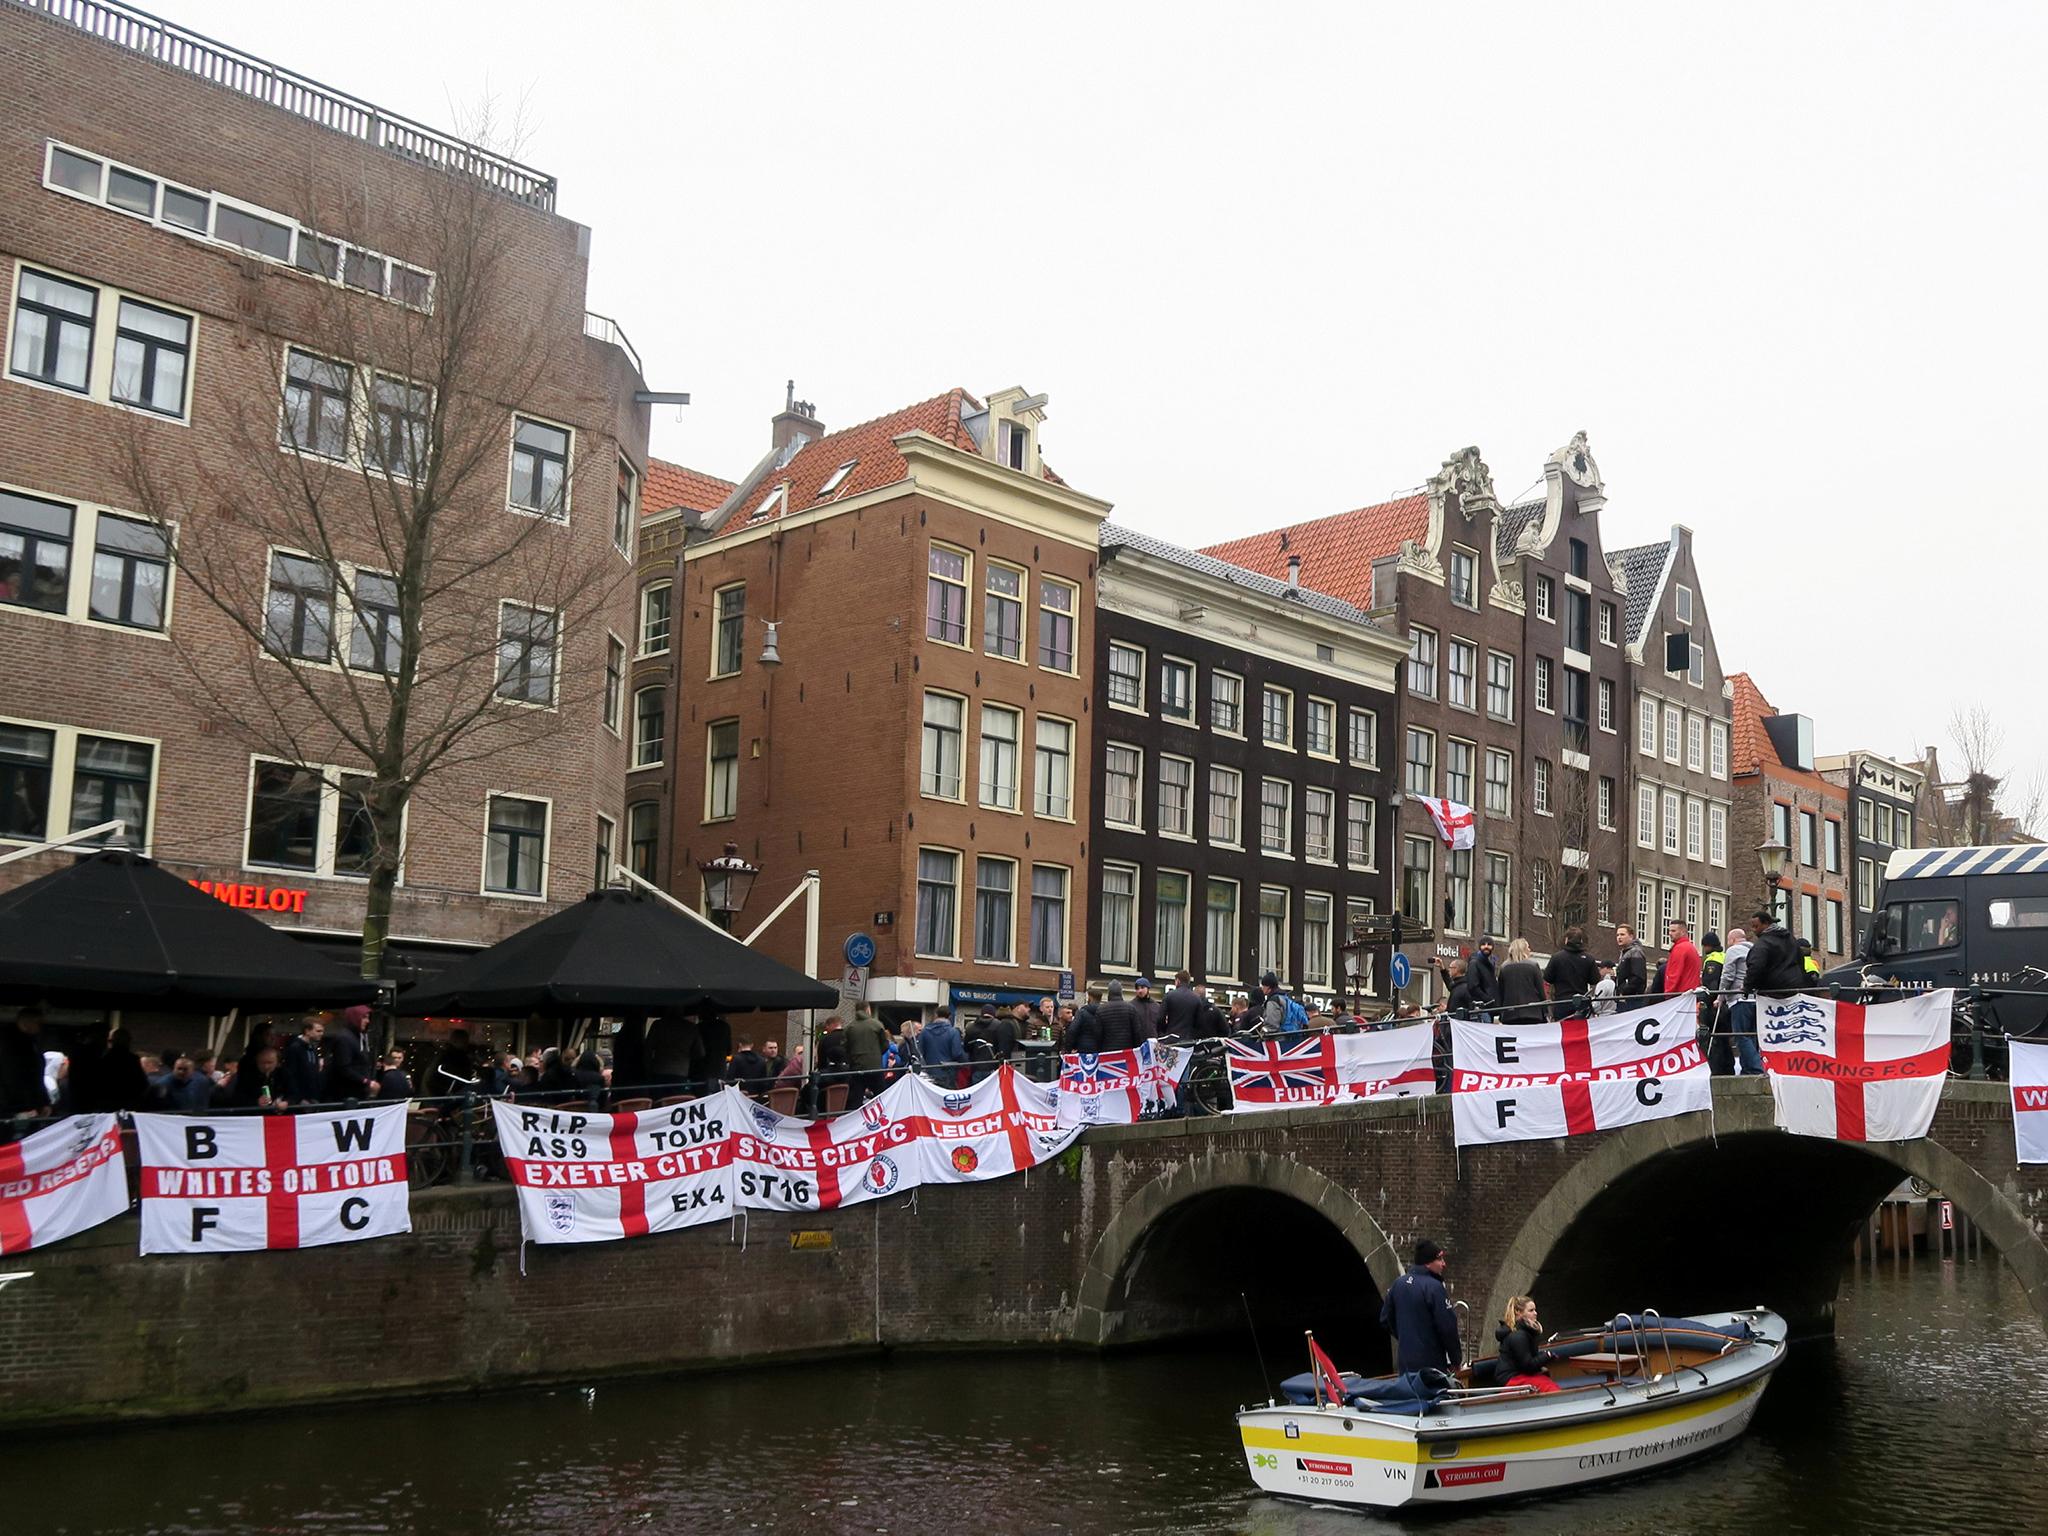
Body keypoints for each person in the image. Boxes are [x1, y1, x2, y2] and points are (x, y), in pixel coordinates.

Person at [1379, 1238, 1462, 1374]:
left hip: (1405, 1364)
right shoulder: (1434, 1288)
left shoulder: (1398, 1284)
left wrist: (1406, 1336)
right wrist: (1455, 1360)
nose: (1444, 1264)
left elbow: (1385, 1318)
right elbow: (1448, 1327)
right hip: (1431, 1365)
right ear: (1428, 1263)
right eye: (1440, 1259)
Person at [1720, 926, 1764, 1074]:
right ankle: (1747, 1069)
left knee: (1741, 1035)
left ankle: (1756, 1068)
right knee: (1752, 1035)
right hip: (1756, 998)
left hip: (1739, 999)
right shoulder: (1756, 950)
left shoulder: (1733, 951)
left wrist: (1720, 997)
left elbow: (1728, 976)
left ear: (1732, 940)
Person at [1496, 1296, 1561, 1394]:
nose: (1535, 1313)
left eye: (1535, 1310)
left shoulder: (1524, 1333)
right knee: (1552, 1390)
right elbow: (1528, 1366)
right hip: (1512, 1379)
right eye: (1531, 1310)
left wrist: (1545, 1356)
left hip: (1519, 1375)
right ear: (1518, 1312)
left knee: (1548, 1383)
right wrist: (1546, 1356)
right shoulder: (1518, 1336)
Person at [0, 1007, 52, 1127]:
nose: (40, 1027)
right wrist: (22, 1106)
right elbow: (11, 1075)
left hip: (29, 1104)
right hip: (12, 1105)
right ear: (27, 1022)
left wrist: (43, 1102)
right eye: (38, 1023)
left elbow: (37, 1076)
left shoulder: (32, 1043)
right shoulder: (7, 1043)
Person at [1746, 906, 1806, 997]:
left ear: (1766, 923)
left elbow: (1756, 965)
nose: (1754, 930)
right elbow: (1800, 959)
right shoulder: (1790, 938)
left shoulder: (1763, 943)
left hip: (1772, 989)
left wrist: (1747, 986)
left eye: (1756, 926)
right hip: (1794, 986)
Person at [1543, 927, 1600, 1019]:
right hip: (1581, 1001)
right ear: (1581, 941)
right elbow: (1595, 980)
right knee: (1581, 1031)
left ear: (1566, 940)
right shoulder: (1589, 959)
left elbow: (1547, 977)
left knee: (1563, 1029)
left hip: (1562, 1002)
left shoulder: (1557, 958)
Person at [324, 1006, 374, 1102]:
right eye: (364, 1017)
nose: (367, 1021)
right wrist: (365, 1081)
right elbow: (343, 1067)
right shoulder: (344, 1038)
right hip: (346, 1094)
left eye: (368, 1017)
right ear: (355, 1018)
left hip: (356, 1092)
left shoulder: (359, 1038)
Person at [845, 1005, 891, 1104]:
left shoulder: (850, 1027)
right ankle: (881, 1117)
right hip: (874, 1066)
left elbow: (845, 1047)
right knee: (881, 1098)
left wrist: (852, 1058)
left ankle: (857, 1118)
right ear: (868, 1010)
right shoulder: (876, 1024)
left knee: (856, 1099)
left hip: (857, 1067)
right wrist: (877, 1054)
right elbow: (885, 1044)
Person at [1497, 938, 1548, 1024]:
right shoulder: (1533, 966)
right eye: (1528, 947)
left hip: (1510, 1014)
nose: (1529, 950)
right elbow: (1541, 992)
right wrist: (1545, 1012)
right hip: (1533, 1013)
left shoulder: (1504, 968)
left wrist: (1501, 1012)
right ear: (1523, 949)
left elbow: (1501, 993)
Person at [221, 1045, 288, 1110]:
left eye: (270, 1063)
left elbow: (293, 1093)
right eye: (262, 1063)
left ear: (277, 1062)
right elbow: (236, 1098)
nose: (266, 1066)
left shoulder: (283, 1074)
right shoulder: (245, 1077)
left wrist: (286, 1102)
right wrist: (256, 1102)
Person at [150, 1054, 217, 1112]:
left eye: (185, 1069)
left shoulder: (202, 1082)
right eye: (179, 1069)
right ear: (174, 1069)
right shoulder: (162, 1084)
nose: (181, 1072)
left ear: (192, 1071)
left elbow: (203, 1104)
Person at [283, 1016, 326, 1104]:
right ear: (307, 1031)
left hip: (313, 1097)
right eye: (318, 1031)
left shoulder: (313, 1048)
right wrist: (299, 1099)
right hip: (300, 1100)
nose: (321, 1034)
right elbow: (291, 1076)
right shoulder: (295, 1048)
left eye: (322, 1031)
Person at [920, 1012, 967, 1086]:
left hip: (929, 1071)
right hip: (948, 1072)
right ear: (950, 1017)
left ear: (936, 1015)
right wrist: (966, 1061)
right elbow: (957, 1053)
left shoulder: (925, 1031)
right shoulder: (953, 1032)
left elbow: (920, 1051)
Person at [1095, 981, 1141, 1052]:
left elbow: (1098, 1034)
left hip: (1108, 1051)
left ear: (1109, 992)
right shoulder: (1131, 1008)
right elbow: (1137, 1032)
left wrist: (1099, 1049)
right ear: (1121, 992)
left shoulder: (1101, 1010)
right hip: (1127, 1050)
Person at [1665, 919, 1703, 999]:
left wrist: (1668, 994)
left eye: (1673, 931)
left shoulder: (1680, 949)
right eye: (1670, 931)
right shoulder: (1691, 948)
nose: (1670, 934)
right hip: (1690, 995)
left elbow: (1674, 974)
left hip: (1680, 996)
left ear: (1682, 932)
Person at [1613, 925, 1648, 1009]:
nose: (1619, 937)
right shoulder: (1625, 952)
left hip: (1631, 998)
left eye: (1622, 934)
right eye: (1617, 935)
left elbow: (1638, 976)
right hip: (1626, 998)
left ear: (1631, 936)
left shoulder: (1635, 952)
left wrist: (1624, 991)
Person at [1468, 938, 1499, 1009]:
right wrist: (1488, 999)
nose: (1486, 946)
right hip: (1482, 1007)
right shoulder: (1474, 963)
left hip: (1487, 1006)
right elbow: (1473, 987)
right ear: (1479, 947)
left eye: (1489, 944)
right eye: (1483, 944)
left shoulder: (1489, 964)